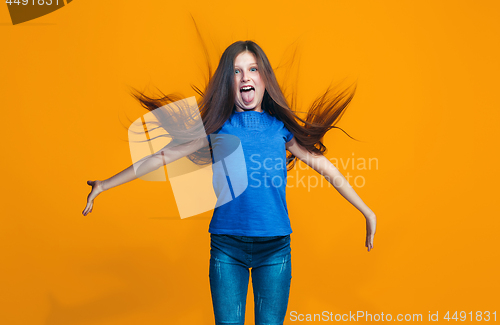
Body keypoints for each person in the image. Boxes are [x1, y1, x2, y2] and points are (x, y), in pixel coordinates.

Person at [82, 40, 377, 325]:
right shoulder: (217, 127)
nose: (245, 77)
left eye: (253, 69)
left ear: (264, 79)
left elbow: (325, 168)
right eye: (236, 71)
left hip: (275, 248)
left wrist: (367, 211)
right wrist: (105, 184)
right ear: (228, 81)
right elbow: (164, 156)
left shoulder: (280, 130)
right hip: (227, 247)